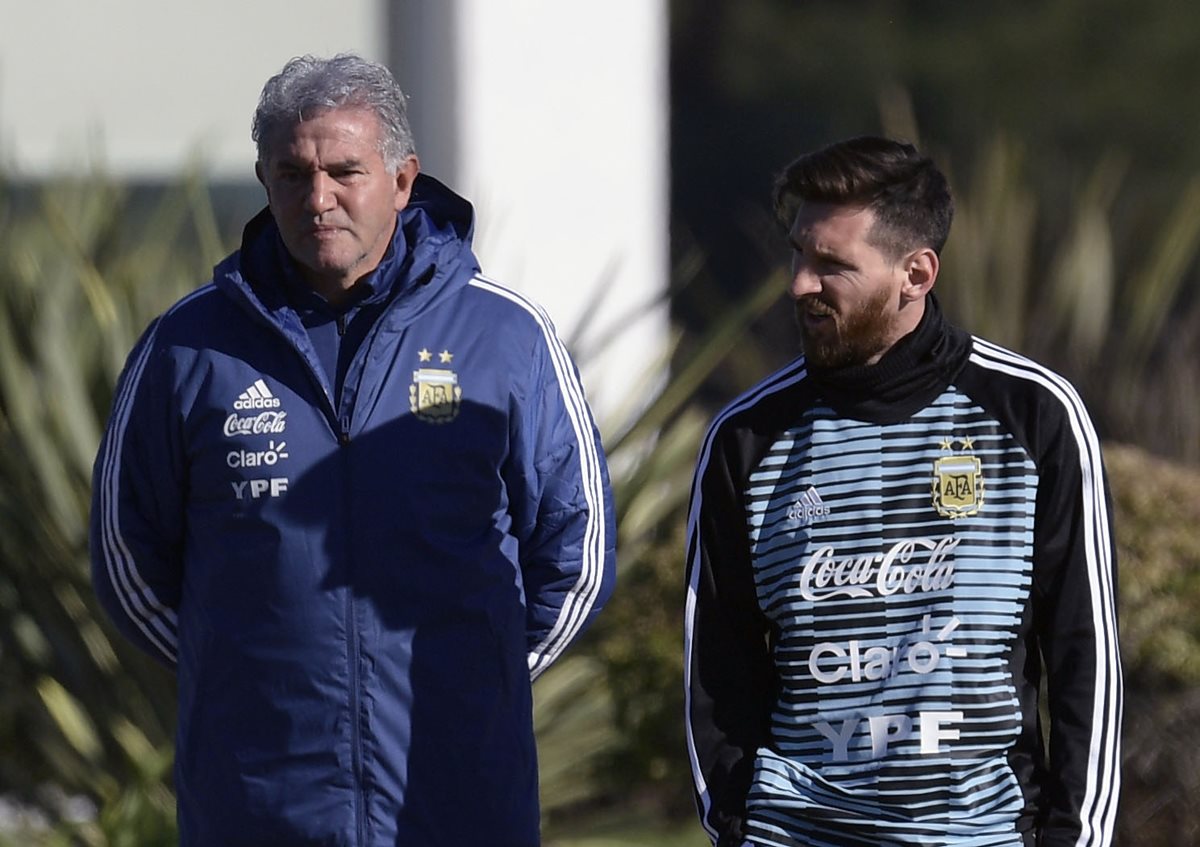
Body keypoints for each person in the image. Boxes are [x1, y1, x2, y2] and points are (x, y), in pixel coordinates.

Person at [90, 53, 616, 846]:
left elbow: (576, 555)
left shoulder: (508, 337)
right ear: (265, 181)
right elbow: (130, 560)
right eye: (294, 174)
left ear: (403, 181)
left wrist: (481, 678)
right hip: (256, 804)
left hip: (457, 797)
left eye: (346, 171)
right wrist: (248, 678)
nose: (320, 198)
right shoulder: (185, 346)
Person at [683, 136, 1121, 847]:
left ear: (915, 273)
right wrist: (737, 827)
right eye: (799, 253)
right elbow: (717, 670)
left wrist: (1074, 836)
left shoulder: (1035, 414)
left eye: (832, 264)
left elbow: (1083, 652)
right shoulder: (747, 437)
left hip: (981, 834)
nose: (799, 282)